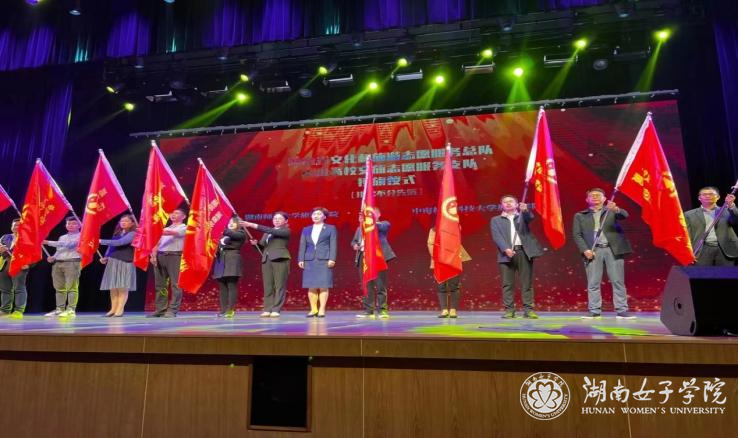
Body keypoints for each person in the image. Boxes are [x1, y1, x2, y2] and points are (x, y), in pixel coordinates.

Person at [572, 188, 635, 319]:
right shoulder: (580, 215)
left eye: (598, 195)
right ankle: (594, 310)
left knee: (617, 280)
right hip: (593, 250)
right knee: (593, 282)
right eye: (592, 195)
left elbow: (624, 215)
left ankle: (622, 310)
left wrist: (615, 209)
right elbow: (577, 235)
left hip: (613, 250)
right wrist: (585, 250)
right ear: (587, 199)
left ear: (604, 199)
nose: (595, 197)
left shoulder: (610, 211)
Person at [490, 195, 544, 319]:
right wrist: (506, 249)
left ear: (516, 204)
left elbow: (530, 218)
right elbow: (497, 236)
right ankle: (509, 310)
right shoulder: (496, 220)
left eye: (511, 201)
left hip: (523, 252)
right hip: (506, 254)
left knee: (526, 283)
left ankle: (528, 310)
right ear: (501, 205)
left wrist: (525, 210)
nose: (508, 203)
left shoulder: (521, 216)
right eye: (505, 202)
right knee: (507, 284)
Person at [241, 211, 291, 318]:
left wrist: (252, 225)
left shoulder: (286, 231)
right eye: (275, 218)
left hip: (280, 259)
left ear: (286, 221)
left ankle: (276, 309)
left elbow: (271, 230)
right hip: (267, 260)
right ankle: (267, 309)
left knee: (279, 286)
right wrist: (256, 244)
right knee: (268, 286)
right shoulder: (267, 233)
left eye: (279, 218)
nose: (276, 220)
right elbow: (263, 248)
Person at [352, 207, 396, 319]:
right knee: (367, 286)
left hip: (378, 257)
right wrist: (355, 245)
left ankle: (382, 310)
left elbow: (379, 227)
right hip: (363, 258)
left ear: (378, 214)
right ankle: (368, 311)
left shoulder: (384, 224)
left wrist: (366, 222)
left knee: (380, 285)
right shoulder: (360, 228)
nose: (368, 216)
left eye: (371, 214)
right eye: (366, 214)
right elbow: (354, 241)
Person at [298, 207, 337, 318]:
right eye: (314, 214)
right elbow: (302, 245)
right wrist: (301, 259)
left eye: (319, 214)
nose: (316, 216)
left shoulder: (330, 228)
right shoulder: (306, 229)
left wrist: (332, 258)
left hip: (324, 259)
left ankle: (322, 309)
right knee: (311, 286)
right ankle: (313, 309)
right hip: (309, 260)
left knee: (323, 285)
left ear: (324, 216)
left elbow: (333, 244)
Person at [148, 208, 187, 318]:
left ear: (183, 216)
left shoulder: (184, 227)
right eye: (171, 213)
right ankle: (160, 309)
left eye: (176, 213)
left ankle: (173, 310)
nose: (173, 215)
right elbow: (157, 243)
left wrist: (151, 229)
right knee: (160, 285)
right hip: (161, 256)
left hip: (175, 256)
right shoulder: (165, 228)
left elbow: (172, 233)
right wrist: (153, 254)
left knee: (175, 284)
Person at [684, 186, 738, 266]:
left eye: (711, 194)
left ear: (718, 197)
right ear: (699, 198)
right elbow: (687, 235)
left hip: (725, 249)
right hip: (701, 250)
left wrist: (731, 205)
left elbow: (736, 220)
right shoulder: (689, 214)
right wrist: (688, 252)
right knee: (702, 273)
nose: (708, 196)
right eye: (704, 194)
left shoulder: (727, 211)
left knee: (726, 273)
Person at [427, 226, 472, 318]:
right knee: (441, 285)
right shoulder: (434, 230)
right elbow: (430, 244)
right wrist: (438, 257)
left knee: (454, 285)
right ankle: (444, 310)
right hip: (439, 261)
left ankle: (453, 309)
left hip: (453, 259)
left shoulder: (454, 226)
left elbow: (456, 240)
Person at [99, 214, 138, 317]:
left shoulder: (133, 233)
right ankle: (113, 309)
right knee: (113, 287)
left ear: (132, 223)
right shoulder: (117, 233)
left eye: (126, 221)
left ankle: (120, 309)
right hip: (113, 261)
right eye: (122, 221)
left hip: (125, 262)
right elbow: (111, 247)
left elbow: (120, 242)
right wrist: (106, 257)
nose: (123, 223)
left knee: (122, 286)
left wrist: (99, 241)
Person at [43, 216, 82, 318]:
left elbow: (69, 245)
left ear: (79, 225)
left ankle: (71, 310)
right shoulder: (62, 237)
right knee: (59, 288)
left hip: (72, 262)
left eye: (74, 223)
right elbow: (59, 250)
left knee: (72, 287)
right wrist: (53, 257)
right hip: (58, 263)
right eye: (68, 223)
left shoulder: (82, 236)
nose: (70, 225)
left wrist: (47, 242)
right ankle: (59, 309)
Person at [213, 216, 245, 318]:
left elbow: (231, 234)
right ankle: (223, 310)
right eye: (229, 222)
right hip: (221, 260)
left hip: (232, 260)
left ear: (238, 224)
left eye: (233, 222)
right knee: (222, 286)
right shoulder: (223, 234)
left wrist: (219, 226)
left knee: (231, 285)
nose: (230, 224)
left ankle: (230, 310)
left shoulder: (240, 234)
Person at [0, 219, 29, 319]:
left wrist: (29, 264)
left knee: (19, 288)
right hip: (4, 265)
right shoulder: (5, 237)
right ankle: (5, 310)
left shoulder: (27, 238)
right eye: (14, 225)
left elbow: (33, 254)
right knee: (5, 289)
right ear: (11, 227)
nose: (16, 227)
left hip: (19, 265)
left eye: (18, 225)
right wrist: (1, 250)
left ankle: (18, 310)